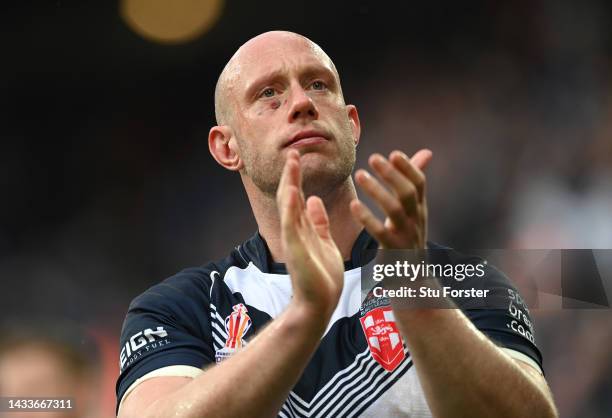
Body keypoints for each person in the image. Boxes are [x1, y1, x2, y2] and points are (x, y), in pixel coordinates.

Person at [115, 31, 558, 418]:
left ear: (351, 124)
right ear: (226, 147)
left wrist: (415, 296)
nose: (302, 103)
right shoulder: (179, 307)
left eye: (318, 85)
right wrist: (304, 317)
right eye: (268, 93)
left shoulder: (465, 281)